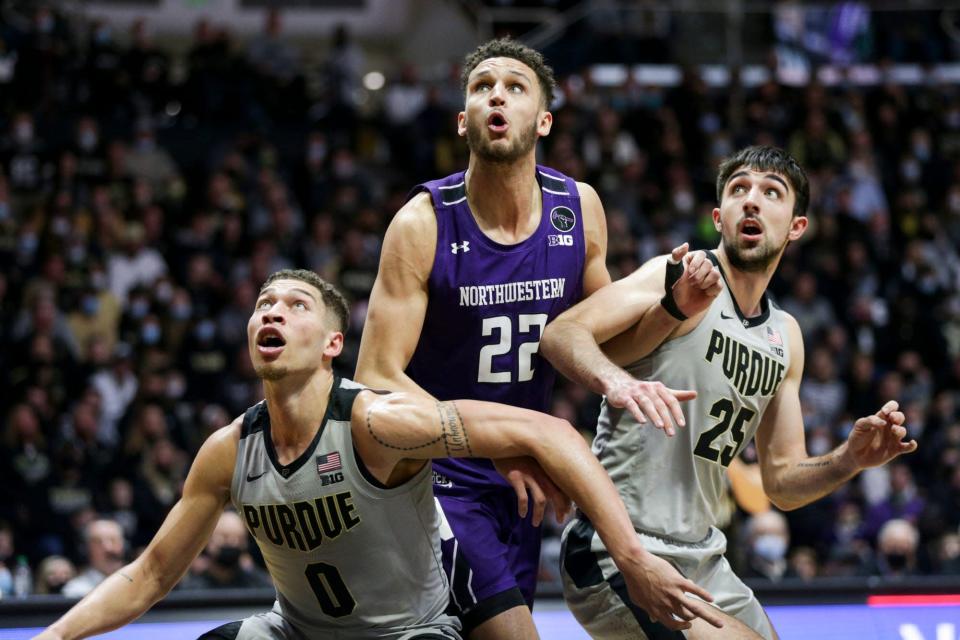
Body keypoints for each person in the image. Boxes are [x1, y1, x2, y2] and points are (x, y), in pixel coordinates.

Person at [34, 269, 724, 640]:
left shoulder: (378, 424)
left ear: (334, 344)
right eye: (264, 304)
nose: (271, 313)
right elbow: (151, 573)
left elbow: (554, 435)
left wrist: (633, 560)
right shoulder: (225, 452)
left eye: (295, 305)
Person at [354, 37, 691, 639]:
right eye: (482, 87)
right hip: (440, 471)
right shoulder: (423, 222)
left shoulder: (578, 208)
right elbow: (378, 374)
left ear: (544, 120)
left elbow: (600, 346)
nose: (495, 97)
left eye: (514, 87)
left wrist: (671, 305)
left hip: (524, 478)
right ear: (463, 121)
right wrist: (495, 444)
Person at [540, 145, 918, 639]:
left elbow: (781, 482)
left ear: (797, 227)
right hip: (616, 546)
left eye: (770, 192)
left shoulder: (786, 336)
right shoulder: (675, 275)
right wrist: (619, 381)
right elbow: (560, 335)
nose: (752, 201)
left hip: (704, 557)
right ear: (719, 218)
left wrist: (849, 458)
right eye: (738, 189)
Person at [178, 510, 272, 590]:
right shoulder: (190, 588)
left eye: (238, 539)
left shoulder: (259, 586)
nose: (232, 543)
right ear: (208, 541)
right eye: (224, 537)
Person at [61, 518, 126, 598]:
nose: (108, 548)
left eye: (113, 540)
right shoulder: (75, 590)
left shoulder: (138, 584)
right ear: (86, 549)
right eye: (98, 542)